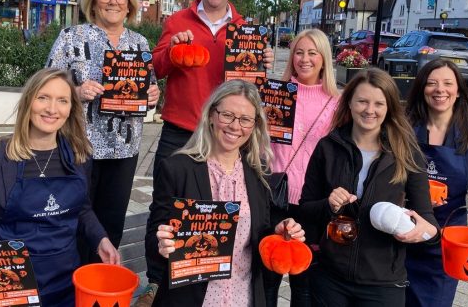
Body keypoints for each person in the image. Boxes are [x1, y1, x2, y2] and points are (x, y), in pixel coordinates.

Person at [143, 0, 272, 302]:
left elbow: (249, 89)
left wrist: (263, 64)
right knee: (165, 209)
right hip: (180, 127)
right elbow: (155, 67)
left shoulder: (245, 28)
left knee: (225, 201)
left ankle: (220, 273)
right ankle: (158, 280)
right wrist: (172, 50)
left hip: (226, 131)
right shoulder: (177, 21)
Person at [0, 69, 120, 306]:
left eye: (62, 100)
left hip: (66, 281)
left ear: (71, 108)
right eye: (43, 97)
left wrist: (100, 238)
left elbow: (82, 209)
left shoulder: (79, 155)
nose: (52, 109)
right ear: (28, 101)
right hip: (9, 282)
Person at [146, 80, 305, 306]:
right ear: (211, 115)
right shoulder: (177, 169)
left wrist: (279, 233)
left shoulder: (260, 174)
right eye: (227, 115)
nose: (235, 126)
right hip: (191, 300)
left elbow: (261, 235)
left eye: (245, 119)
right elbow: (153, 239)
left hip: (244, 298)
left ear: (254, 125)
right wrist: (162, 246)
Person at [298, 68, 440, 307]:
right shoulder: (328, 147)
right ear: (350, 103)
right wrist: (329, 205)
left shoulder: (407, 153)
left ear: (389, 107)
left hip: (383, 283)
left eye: (379, 104)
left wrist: (427, 232)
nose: (370, 110)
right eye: (362, 101)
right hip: (331, 277)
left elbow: (428, 222)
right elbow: (305, 210)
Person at [46, 0, 160, 263]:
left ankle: (100, 282)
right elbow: (45, 85)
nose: (113, 1)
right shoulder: (72, 37)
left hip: (124, 148)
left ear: (130, 4)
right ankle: (69, 283)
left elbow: (148, 89)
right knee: (73, 218)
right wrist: (76, 90)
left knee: (111, 223)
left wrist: (152, 96)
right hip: (79, 146)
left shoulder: (140, 44)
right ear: (94, 1)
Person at [404, 59, 468, 307]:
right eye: (432, 83)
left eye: (447, 83)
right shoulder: (404, 128)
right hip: (402, 234)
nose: (440, 90)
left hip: (445, 242)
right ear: (422, 88)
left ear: (459, 91)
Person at [263, 29, 339, 307]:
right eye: (298, 52)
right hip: (275, 197)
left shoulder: (337, 102)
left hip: (312, 203)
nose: (304, 59)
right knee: (267, 279)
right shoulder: (275, 94)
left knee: (304, 284)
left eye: (312, 52)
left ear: (323, 58)